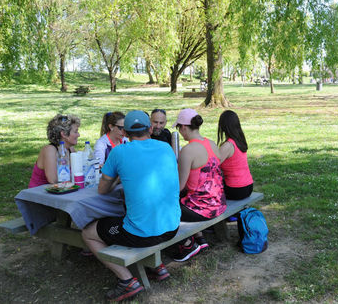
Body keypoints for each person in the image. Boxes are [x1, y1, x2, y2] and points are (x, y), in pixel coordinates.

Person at [81, 110, 180, 302]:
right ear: (150, 128)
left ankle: (126, 280)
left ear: (125, 133)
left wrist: (119, 173)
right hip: (172, 227)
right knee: (134, 213)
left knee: (88, 232)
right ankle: (156, 266)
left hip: (142, 234)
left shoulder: (119, 152)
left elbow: (102, 190)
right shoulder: (166, 148)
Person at [173, 108, 226, 261]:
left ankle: (187, 245)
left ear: (183, 127)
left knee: (162, 208)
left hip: (202, 210)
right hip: (219, 204)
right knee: (186, 198)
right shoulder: (211, 143)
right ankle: (200, 239)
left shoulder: (188, 150)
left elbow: (180, 186)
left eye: (179, 128)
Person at [29, 114, 80, 188]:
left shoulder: (71, 149)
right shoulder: (50, 150)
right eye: (76, 132)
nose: (78, 135)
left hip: (62, 191)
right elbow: (53, 180)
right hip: (39, 194)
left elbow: (78, 172)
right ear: (64, 134)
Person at [217, 110, 253, 200]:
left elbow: (212, 164)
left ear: (223, 126)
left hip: (236, 189)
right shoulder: (240, 141)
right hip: (249, 186)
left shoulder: (228, 146)